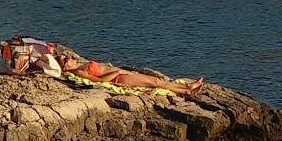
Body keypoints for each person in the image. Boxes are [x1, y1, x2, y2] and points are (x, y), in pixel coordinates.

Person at [57, 53, 204, 97]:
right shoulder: (78, 72)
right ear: (64, 68)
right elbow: (99, 80)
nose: (69, 58)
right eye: (65, 60)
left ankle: (186, 87)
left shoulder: (80, 65)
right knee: (154, 82)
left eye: (67, 57)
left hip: (120, 74)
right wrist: (118, 71)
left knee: (155, 80)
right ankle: (187, 90)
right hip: (119, 77)